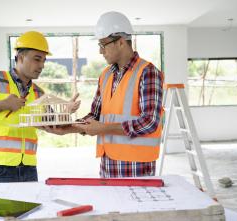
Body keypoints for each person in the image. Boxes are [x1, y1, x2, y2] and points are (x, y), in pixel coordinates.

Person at [44, 11, 164, 178]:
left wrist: (103, 128)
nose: (101, 51)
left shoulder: (147, 72)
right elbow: (95, 116)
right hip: (108, 164)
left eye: (103, 45)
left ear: (121, 42)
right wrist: (68, 128)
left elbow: (149, 122)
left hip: (136, 166)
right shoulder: (106, 75)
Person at [0, 31, 80, 183]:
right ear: (20, 57)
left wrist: (65, 110)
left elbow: (52, 124)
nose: (42, 65)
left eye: (44, 60)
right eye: (37, 59)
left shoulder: (38, 92)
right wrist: (3, 104)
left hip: (28, 169)